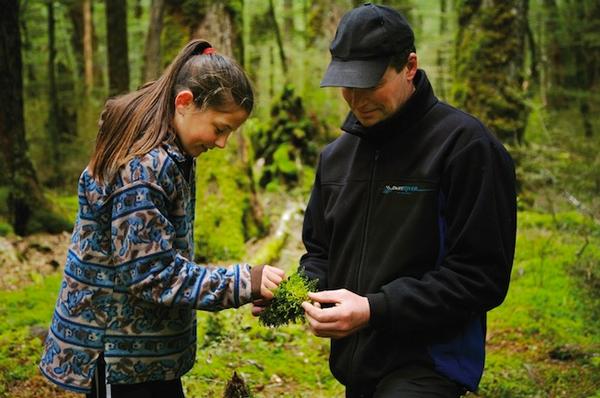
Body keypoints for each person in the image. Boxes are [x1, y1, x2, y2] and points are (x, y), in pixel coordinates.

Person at [39, 39, 285, 398]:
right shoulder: (143, 167)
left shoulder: (174, 151)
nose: (223, 144)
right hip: (118, 354)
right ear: (184, 103)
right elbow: (152, 274)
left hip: (145, 353)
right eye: (219, 128)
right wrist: (243, 281)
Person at [298, 4, 517, 398]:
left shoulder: (466, 147)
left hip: (429, 364)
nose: (357, 99)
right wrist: (298, 292)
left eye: (370, 83)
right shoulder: (336, 158)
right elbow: (321, 251)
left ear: (409, 66)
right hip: (356, 362)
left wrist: (373, 309)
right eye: (348, 85)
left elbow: (481, 276)